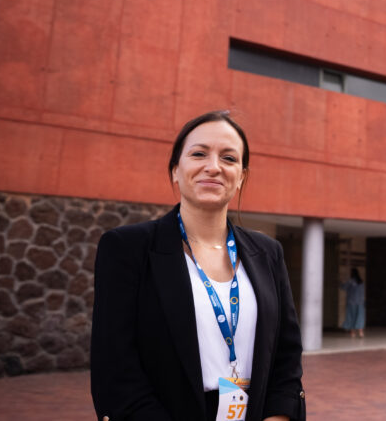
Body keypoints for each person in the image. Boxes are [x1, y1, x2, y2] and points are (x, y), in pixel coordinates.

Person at [91, 111, 306, 421]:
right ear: (176, 171)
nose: (214, 167)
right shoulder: (127, 248)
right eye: (199, 154)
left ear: (241, 177)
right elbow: (115, 368)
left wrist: (279, 417)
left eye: (229, 158)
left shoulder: (268, 253)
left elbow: (287, 354)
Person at [340, 268, 366, 338]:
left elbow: (343, 287)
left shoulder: (350, 281)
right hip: (360, 302)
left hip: (351, 302)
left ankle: (353, 333)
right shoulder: (361, 282)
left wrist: (340, 282)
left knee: (351, 316)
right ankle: (361, 332)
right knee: (360, 317)